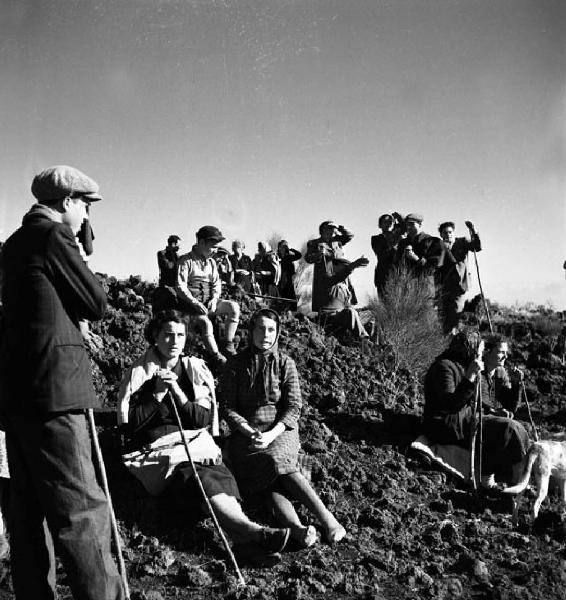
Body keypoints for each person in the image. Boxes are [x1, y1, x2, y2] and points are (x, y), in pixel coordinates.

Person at [0, 165, 124, 599]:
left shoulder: (14, 243)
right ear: (67, 202)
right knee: (82, 512)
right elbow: (95, 301)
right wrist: (81, 247)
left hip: (18, 396)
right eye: (85, 207)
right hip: (57, 396)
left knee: (28, 513)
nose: (87, 216)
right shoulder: (54, 237)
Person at [117, 310, 290, 565]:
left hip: (196, 444)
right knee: (200, 476)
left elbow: (202, 419)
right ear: (155, 336)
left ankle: (245, 541)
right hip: (160, 454)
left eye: (180, 335)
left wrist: (178, 393)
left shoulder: (194, 369)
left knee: (218, 472)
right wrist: (156, 395)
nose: (175, 341)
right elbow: (130, 425)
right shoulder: (139, 373)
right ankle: (253, 533)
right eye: (167, 335)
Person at [219, 309, 346, 547]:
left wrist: (270, 435)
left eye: (271, 330)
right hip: (246, 436)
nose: (265, 335)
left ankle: (327, 519)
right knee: (268, 483)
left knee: (277, 460)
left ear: (277, 334)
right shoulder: (235, 364)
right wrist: (248, 431)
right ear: (251, 330)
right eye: (260, 328)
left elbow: (294, 407)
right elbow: (227, 407)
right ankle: (298, 530)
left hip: (280, 432)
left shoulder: (286, 363)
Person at [422, 329, 529, 487]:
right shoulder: (444, 367)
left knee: (513, 427)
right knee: (509, 428)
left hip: (464, 419)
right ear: (470, 348)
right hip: (447, 425)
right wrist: (470, 377)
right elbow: (451, 406)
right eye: (479, 349)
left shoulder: (461, 365)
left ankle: (512, 476)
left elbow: (475, 400)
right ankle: (514, 480)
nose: (481, 354)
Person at [177, 226, 241, 364]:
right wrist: (195, 303)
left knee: (233, 307)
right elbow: (180, 286)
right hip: (190, 307)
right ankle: (217, 357)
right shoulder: (185, 261)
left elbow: (216, 283)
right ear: (201, 243)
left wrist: (214, 298)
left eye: (217, 247)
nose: (215, 251)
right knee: (206, 323)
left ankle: (227, 345)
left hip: (209, 302)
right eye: (213, 247)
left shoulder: (212, 263)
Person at [305, 221, 369, 339]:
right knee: (333, 289)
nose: (331, 231)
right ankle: (362, 338)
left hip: (341, 271)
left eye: (333, 229)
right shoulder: (314, 243)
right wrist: (317, 255)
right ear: (322, 230)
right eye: (329, 228)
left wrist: (341, 228)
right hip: (326, 271)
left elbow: (349, 236)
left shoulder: (337, 241)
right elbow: (308, 258)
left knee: (346, 293)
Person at [436, 221, 482, 333]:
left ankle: (454, 339)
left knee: (456, 314)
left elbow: (477, 247)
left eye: (450, 232)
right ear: (441, 235)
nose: (448, 235)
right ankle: (444, 341)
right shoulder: (438, 246)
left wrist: (473, 231)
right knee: (443, 316)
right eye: (445, 233)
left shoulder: (462, 242)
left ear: (453, 233)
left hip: (459, 286)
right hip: (444, 286)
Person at [397, 213, 444, 299]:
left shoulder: (432, 241)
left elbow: (433, 267)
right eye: (407, 224)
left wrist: (416, 259)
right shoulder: (403, 243)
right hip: (406, 290)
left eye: (412, 224)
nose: (409, 227)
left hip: (425, 288)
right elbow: (397, 264)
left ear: (420, 224)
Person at [370, 212, 405, 301]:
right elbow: (382, 254)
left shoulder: (398, 235)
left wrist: (400, 218)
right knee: (385, 305)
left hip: (399, 275)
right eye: (385, 222)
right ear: (380, 225)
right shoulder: (376, 239)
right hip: (383, 276)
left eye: (390, 221)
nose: (388, 223)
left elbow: (406, 227)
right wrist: (397, 243)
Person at [153, 235, 182, 313]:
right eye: (178, 245)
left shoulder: (177, 256)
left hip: (176, 286)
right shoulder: (162, 253)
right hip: (165, 286)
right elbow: (168, 266)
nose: (179, 247)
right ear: (173, 244)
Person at [276, 240, 302, 311]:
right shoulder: (276, 257)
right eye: (281, 247)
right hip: (279, 281)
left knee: (291, 298)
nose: (282, 249)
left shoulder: (289, 257)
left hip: (289, 281)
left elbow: (299, 255)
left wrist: (291, 249)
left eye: (284, 247)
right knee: (281, 299)